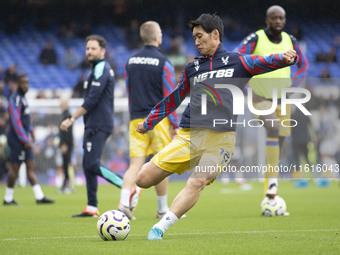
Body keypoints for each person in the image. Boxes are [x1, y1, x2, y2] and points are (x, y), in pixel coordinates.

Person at [134, 13, 298, 240]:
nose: (196, 41)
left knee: (197, 181)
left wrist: (284, 57)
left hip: (220, 141)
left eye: (199, 36)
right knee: (143, 178)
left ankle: (159, 228)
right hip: (188, 136)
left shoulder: (238, 61)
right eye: (194, 37)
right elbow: (172, 99)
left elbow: (263, 61)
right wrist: (149, 123)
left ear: (215, 35)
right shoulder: (193, 69)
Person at [234, 5, 308, 201]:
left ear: (284, 20)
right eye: (274, 18)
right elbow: (237, 57)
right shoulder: (256, 38)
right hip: (260, 97)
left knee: (279, 140)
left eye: (281, 18)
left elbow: (303, 64)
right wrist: (248, 87)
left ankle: (270, 187)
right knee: (273, 129)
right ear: (267, 20)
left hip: (283, 100)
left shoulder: (290, 40)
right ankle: (273, 185)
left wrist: (295, 85)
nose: (277, 21)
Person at [60, 35, 137, 217]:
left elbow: (92, 100)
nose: (89, 52)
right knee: (88, 165)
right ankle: (92, 207)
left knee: (92, 163)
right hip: (93, 123)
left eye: (93, 48)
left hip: (99, 123)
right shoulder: (94, 70)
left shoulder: (102, 68)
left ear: (102, 51)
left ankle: (128, 187)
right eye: (87, 49)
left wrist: (71, 118)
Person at [118, 21, 179, 220]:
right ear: (156, 37)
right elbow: (170, 96)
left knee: (135, 163)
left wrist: (134, 114)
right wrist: (175, 124)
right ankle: (162, 209)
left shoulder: (130, 61)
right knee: (160, 163)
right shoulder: (164, 62)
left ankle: (124, 203)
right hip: (158, 120)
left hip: (136, 119)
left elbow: (128, 90)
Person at [3, 75, 55, 205]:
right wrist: (24, 139)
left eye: (27, 83)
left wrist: (31, 131)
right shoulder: (14, 99)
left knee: (31, 165)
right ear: (17, 84)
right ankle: (8, 198)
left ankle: (39, 197)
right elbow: (15, 121)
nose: (25, 85)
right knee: (15, 168)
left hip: (25, 139)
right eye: (23, 83)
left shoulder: (23, 99)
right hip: (17, 140)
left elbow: (25, 120)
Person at [58, 99, 74, 193]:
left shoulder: (67, 115)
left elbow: (67, 132)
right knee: (65, 164)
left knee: (67, 164)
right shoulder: (65, 114)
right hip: (66, 144)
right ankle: (65, 184)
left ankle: (68, 185)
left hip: (67, 144)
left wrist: (64, 144)